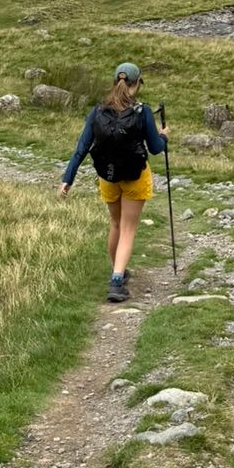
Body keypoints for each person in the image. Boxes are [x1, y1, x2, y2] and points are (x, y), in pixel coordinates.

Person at [59, 61, 168, 303]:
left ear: (115, 82)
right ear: (137, 84)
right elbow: (156, 148)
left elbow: (82, 147)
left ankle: (117, 269)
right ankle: (117, 280)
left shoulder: (98, 111)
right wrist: (164, 136)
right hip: (135, 177)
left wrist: (68, 179)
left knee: (116, 224)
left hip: (107, 177)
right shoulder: (143, 112)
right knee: (129, 229)